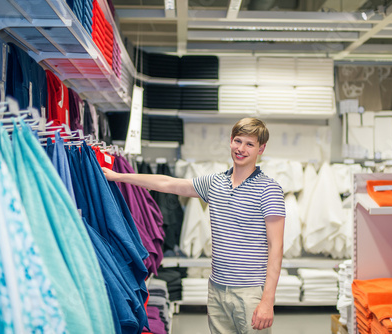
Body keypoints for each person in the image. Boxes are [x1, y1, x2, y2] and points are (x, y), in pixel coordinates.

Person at [102, 117, 286, 333]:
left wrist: (267, 301)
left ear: (261, 149)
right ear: (230, 141)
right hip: (217, 289)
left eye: (250, 144)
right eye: (238, 141)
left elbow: (277, 247)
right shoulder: (215, 183)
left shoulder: (269, 189)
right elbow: (169, 183)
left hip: (250, 292)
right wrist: (119, 176)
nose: (241, 149)